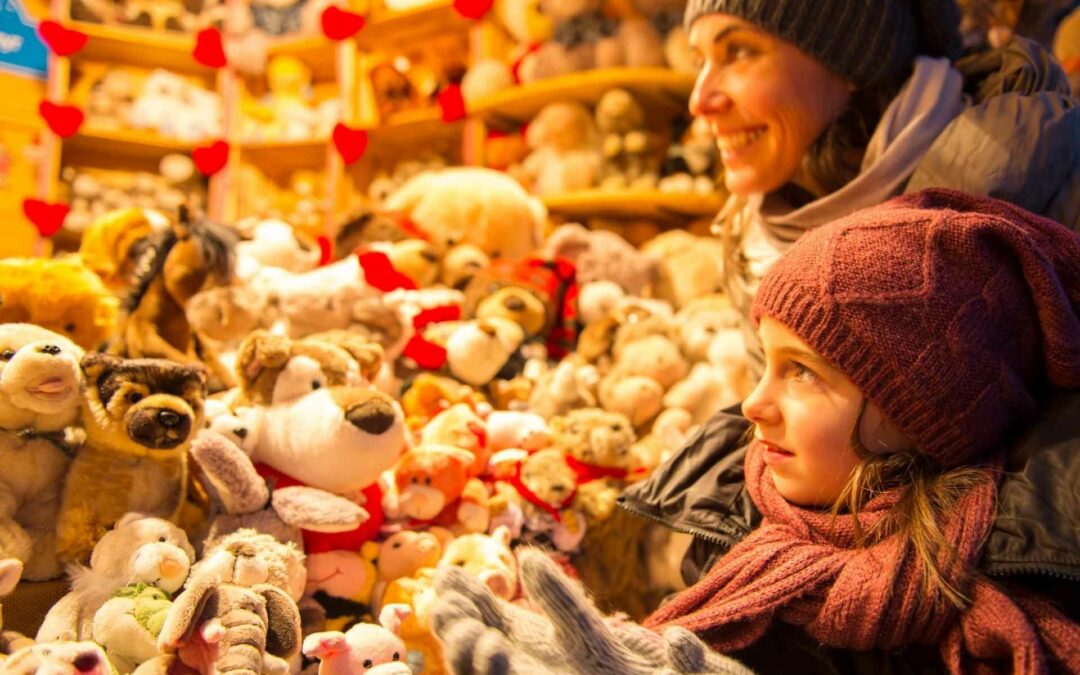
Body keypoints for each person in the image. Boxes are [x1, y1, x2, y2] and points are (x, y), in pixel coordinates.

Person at [430, 189, 1080, 674]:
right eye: (764, 363)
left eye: (801, 373)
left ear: (917, 408)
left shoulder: (995, 622)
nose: (752, 403)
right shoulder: (737, 541)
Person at [680, 0, 1079, 375]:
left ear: (850, 61)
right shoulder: (754, 235)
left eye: (738, 52)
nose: (699, 101)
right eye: (699, 61)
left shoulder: (1032, 191)